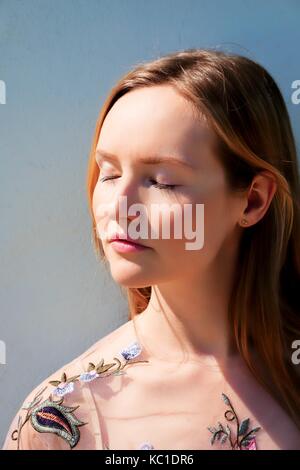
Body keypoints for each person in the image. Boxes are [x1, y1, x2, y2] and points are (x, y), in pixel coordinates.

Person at [3, 48, 300, 450]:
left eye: (161, 180)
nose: (119, 207)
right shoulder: (66, 416)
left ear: (252, 201)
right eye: (108, 174)